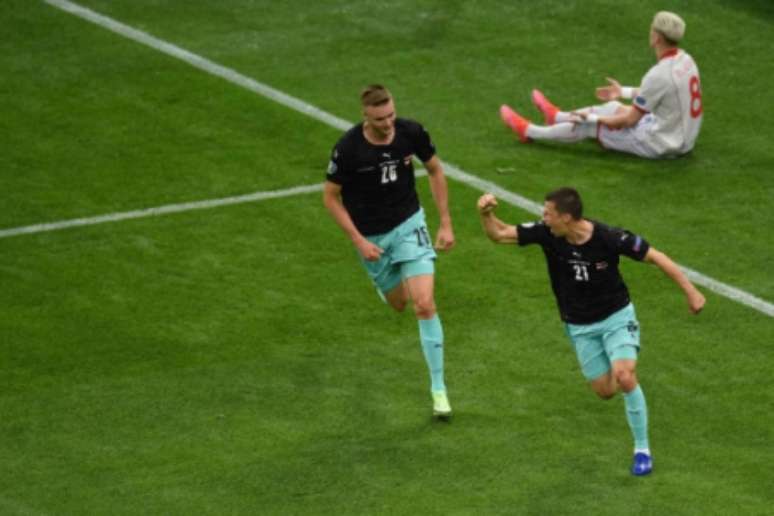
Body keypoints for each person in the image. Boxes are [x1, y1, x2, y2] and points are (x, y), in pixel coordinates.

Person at [477, 187, 705, 475]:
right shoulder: (548, 233)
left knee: (625, 375)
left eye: (548, 213)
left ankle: (642, 450)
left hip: (616, 317)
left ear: (567, 217)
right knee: (605, 390)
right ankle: (624, 384)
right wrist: (486, 214)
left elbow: (656, 256)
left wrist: (691, 292)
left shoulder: (609, 238)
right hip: (580, 326)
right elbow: (498, 234)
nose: (543, 218)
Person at [323, 84, 455, 418]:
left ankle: (439, 390)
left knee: (424, 304)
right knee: (399, 303)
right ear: (365, 116)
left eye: (391, 114)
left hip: (410, 224)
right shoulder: (349, 149)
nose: (388, 123)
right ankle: (386, 283)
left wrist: (445, 223)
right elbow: (330, 197)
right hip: (372, 237)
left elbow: (436, 170)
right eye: (380, 118)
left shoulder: (411, 132)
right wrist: (358, 240)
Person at [500, 11, 703, 159]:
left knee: (589, 126)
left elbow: (629, 121)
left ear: (656, 37)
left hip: (663, 144)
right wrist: (621, 91)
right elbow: (657, 93)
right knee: (613, 107)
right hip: (678, 132)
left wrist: (594, 119)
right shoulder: (686, 60)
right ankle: (556, 116)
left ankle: (528, 131)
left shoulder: (658, 75)